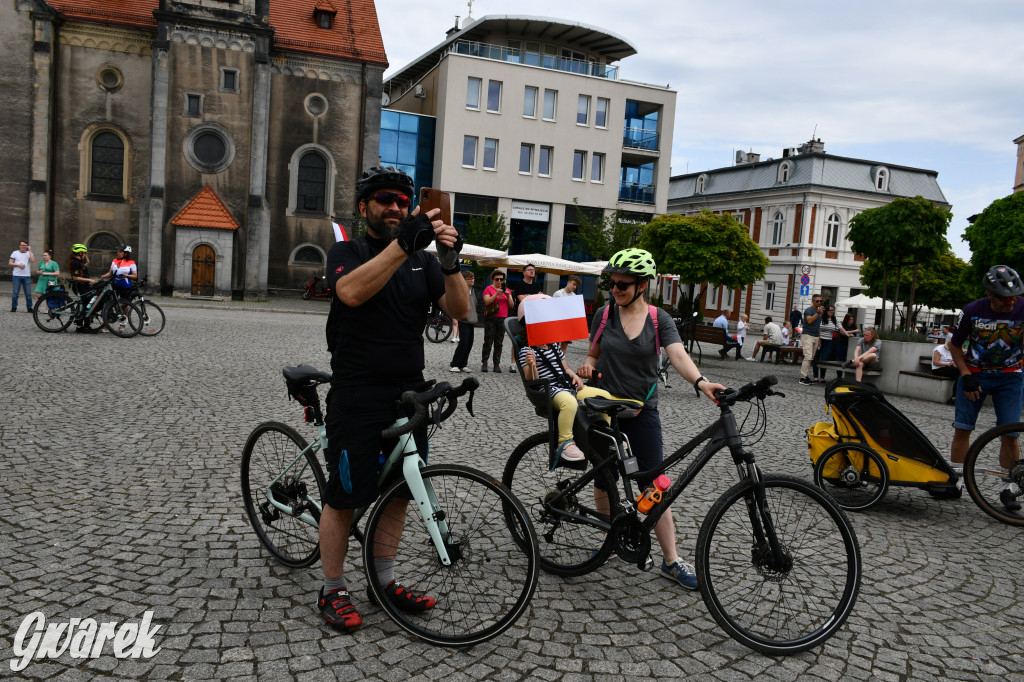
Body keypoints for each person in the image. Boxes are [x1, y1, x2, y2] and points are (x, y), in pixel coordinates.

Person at [318, 166, 469, 632]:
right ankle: (332, 589)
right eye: (385, 200)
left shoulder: (423, 262)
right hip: (357, 391)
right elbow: (350, 292)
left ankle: (382, 582)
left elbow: (461, 310)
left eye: (404, 202)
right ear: (364, 207)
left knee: (401, 492)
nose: (396, 208)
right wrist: (404, 241)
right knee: (345, 497)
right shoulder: (348, 251)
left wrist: (449, 258)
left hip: (410, 393)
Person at [577, 248, 725, 591]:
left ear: (643, 285)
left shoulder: (660, 320)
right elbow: (593, 353)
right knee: (605, 479)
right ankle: (609, 537)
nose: (615, 289)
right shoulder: (603, 314)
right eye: (611, 283)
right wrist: (588, 365)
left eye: (623, 284)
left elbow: (677, 355)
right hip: (604, 408)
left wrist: (701, 383)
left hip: (642, 411)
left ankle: (671, 560)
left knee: (655, 483)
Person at [948, 265, 1024, 510]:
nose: (1010, 302)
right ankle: (956, 480)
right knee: (963, 428)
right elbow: (954, 346)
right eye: (1004, 298)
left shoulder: (1023, 308)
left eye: (1014, 296)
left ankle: (1009, 487)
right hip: (976, 376)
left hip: (1010, 377)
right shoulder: (972, 311)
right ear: (990, 294)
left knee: (1010, 433)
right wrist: (966, 374)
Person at [516, 293, 613, 465]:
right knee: (569, 402)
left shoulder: (554, 346)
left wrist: (575, 376)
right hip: (547, 389)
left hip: (564, 385)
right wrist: (531, 365)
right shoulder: (527, 351)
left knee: (604, 396)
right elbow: (531, 379)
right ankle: (565, 441)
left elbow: (565, 368)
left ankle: (603, 435)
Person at [480, 270, 514, 372]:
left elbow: (511, 305)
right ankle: (484, 363)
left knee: (499, 342)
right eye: (497, 279)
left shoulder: (507, 290)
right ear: (493, 279)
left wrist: (508, 296)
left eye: (501, 279)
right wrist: (496, 294)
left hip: (502, 318)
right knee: (488, 341)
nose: (499, 281)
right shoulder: (488, 289)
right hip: (491, 317)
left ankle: (496, 364)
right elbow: (487, 301)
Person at [449, 270, 477, 372]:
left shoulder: (472, 290)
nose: (472, 280)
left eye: (473, 278)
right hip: (463, 320)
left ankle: (463, 364)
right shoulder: (460, 290)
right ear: (463, 280)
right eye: (469, 279)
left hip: (471, 320)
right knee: (463, 342)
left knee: (469, 343)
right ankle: (454, 364)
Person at [67, 244, 100, 332]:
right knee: (88, 303)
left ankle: (81, 325)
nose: (86, 255)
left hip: (84, 285)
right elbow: (75, 277)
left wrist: (85, 257)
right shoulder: (76, 263)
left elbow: (86, 263)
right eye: (85, 253)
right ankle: (83, 327)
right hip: (80, 286)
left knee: (87, 303)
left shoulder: (80, 262)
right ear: (80, 253)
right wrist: (90, 280)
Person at [798, 295, 825, 385]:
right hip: (807, 335)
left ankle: (805, 376)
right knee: (808, 357)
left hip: (815, 336)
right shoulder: (809, 310)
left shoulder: (819, 312)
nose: (819, 303)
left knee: (811, 358)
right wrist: (817, 313)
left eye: (821, 301)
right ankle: (802, 377)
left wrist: (819, 338)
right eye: (817, 301)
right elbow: (809, 321)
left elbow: (818, 326)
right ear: (813, 301)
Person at [812, 306, 838, 383]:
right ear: (826, 311)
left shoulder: (834, 320)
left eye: (833, 310)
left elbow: (838, 329)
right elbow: (817, 328)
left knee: (825, 358)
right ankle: (815, 376)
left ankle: (822, 376)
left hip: (829, 341)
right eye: (830, 310)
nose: (832, 312)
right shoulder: (820, 318)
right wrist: (819, 340)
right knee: (816, 357)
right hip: (820, 339)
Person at [9, 240, 34, 313]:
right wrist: (18, 265)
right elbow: (10, 263)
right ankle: (14, 307)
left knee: (28, 293)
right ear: (19, 246)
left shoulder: (29, 253)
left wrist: (29, 251)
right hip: (17, 275)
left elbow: (32, 260)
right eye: (22, 245)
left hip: (26, 275)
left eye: (25, 245)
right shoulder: (15, 253)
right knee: (15, 292)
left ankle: (29, 308)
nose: (24, 247)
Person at [832, 312, 858, 379]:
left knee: (849, 360)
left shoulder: (853, 327)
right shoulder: (843, 326)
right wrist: (853, 332)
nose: (851, 321)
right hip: (842, 344)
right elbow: (842, 332)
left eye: (852, 319)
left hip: (850, 346)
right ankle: (839, 376)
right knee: (840, 360)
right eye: (850, 319)